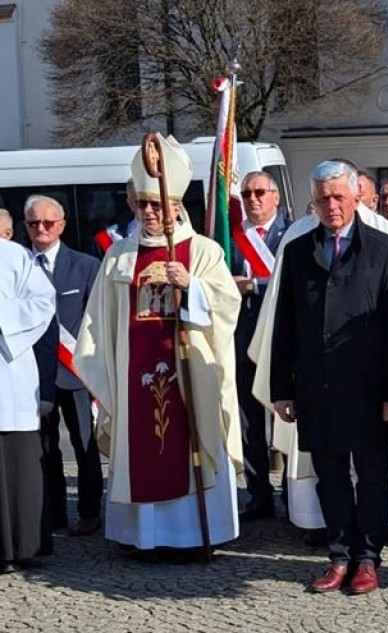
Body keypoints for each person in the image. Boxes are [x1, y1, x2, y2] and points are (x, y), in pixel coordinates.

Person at [74, 134, 243, 555]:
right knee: (143, 448)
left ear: (176, 206)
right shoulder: (119, 256)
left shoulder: (201, 251)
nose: (149, 213)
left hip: (189, 372)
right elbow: (98, 318)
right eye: (141, 205)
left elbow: (227, 305)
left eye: (157, 205)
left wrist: (193, 287)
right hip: (134, 370)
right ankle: (142, 536)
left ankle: (191, 536)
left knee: (187, 443)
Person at [270, 160, 388, 594]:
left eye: (338, 197)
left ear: (356, 197)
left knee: (371, 477)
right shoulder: (298, 252)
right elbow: (285, 325)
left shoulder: (384, 249)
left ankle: (368, 557)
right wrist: (282, 388)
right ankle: (338, 555)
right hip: (318, 388)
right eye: (322, 198)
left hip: (371, 390)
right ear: (312, 202)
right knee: (330, 477)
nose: (331, 206)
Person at [24, 195, 104, 537]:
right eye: (33, 224)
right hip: (33, 374)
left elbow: (97, 319)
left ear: (62, 224)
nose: (40, 229)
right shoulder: (19, 264)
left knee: (85, 445)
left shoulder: (85, 265)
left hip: (75, 372)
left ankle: (89, 511)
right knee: (44, 449)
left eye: (47, 223)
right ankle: (53, 512)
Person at [232, 171, 290, 523]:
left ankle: (292, 492)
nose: (253, 199)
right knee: (250, 424)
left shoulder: (293, 233)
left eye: (259, 192)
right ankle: (258, 494)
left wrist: (254, 285)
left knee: (287, 422)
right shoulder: (232, 238)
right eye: (246, 193)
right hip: (244, 340)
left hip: (283, 341)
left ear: (275, 197)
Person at [0, 237, 56, 572]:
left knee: (19, 465)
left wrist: (3, 318)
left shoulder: (12, 254)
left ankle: (24, 545)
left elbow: (43, 300)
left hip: (10, 367)